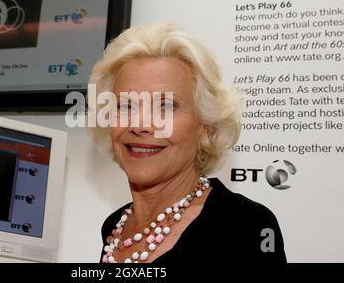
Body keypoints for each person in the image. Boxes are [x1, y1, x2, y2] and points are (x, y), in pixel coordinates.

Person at [88, 22, 287, 263]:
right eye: (126, 106)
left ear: (206, 125)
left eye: (166, 107)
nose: (140, 125)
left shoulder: (245, 225)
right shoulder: (115, 228)